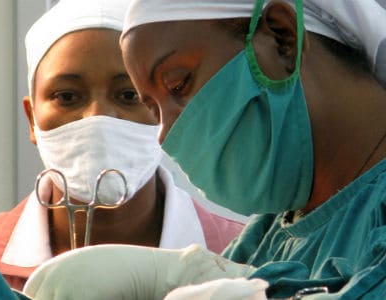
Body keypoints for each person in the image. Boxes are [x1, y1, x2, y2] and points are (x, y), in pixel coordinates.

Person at [22, 0, 386, 299]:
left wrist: (175, 277)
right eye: (153, 107)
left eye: (178, 84)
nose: (165, 135)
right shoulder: (271, 235)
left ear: (282, 35)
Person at [0, 0, 244, 291]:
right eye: (68, 97)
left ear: (167, 110)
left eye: (129, 95)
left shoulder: (242, 259)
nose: (98, 117)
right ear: (32, 118)